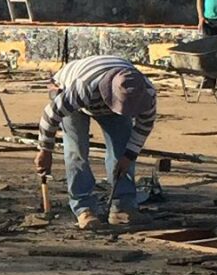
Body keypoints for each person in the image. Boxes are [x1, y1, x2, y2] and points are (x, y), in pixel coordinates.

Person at [35, 52, 159, 229]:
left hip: (106, 98)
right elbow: (50, 115)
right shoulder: (83, 88)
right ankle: (83, 208)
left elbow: (144, 126)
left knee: (121, 149)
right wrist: (45, 151)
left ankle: (123, 206)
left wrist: (128, 156)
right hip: (66, 87)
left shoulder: (145, 93)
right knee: (77, 150)